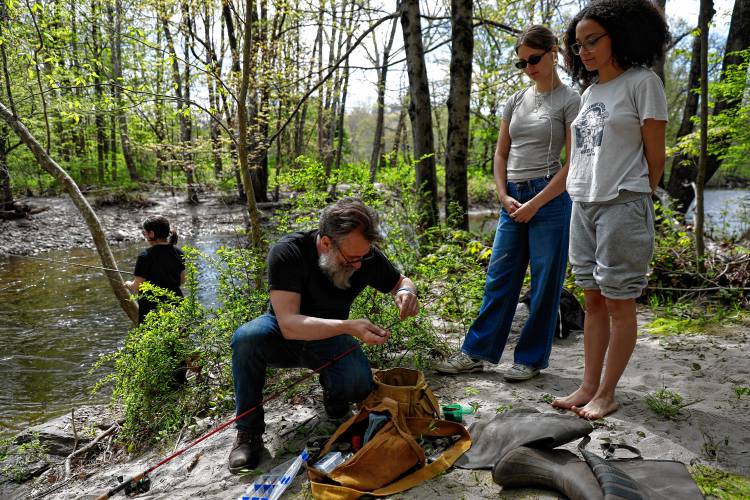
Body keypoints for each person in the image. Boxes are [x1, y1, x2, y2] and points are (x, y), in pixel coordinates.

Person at [228, 198, 419, 473]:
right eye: (351, 258)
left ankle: (335, 396)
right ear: (327, 243)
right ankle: (248, 435)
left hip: (330, 340)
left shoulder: (363, 257)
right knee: (246, 338)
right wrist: (349, 326)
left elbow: (401, 280)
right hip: (281, 335)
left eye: (363, 258)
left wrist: (406, 293)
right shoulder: (288, 252)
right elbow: (289, 323)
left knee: (359, 383)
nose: (357, 266)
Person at [435, 25, 580, 382]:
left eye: (534, 59)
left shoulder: (570, 99)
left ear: (554, 54)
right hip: (512, 198)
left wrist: (537, 202)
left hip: (550, 198)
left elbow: (573, 163)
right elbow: (500, 154)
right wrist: (503, 195)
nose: (528, 67)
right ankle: (476, 353)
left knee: (545, 282)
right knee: (499, 278)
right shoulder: (516, 100)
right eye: (522, 63)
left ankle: (529, 359)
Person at [552, 0, 669, 420]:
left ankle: (607, 391)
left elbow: (656, 158)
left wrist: (637, 195)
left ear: (620, 35)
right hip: (582, 203)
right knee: (593, 301)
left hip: (622, 201)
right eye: (577, 43)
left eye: (592, 40)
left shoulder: (643, 83)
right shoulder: (590, 91)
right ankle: (587, 385)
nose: (582, 50)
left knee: (620, 302)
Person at [125, 215, 186, 325]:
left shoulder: (145, 256)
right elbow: (182, 281)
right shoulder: (179, 253)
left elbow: (137, 286)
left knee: (154, 340)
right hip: (176, 303)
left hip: (152, 308)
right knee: (179, 338)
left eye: (145, 233)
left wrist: (128, 283)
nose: (145, 236)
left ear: (152, 234)